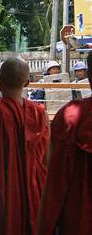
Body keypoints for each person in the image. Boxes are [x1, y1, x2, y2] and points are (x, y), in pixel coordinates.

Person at [0, 57, 49, 235]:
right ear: (28, 82)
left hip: (4, 196)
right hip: (35, 195)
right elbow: (47, 161)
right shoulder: (40, 114)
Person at [37, 53, 92, 235]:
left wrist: (46, 224)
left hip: (79, 216)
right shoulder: (72, 112)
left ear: (88, 74)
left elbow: (57, 179)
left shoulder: (71, 115)